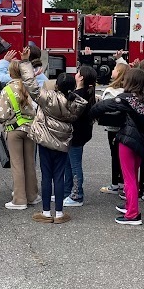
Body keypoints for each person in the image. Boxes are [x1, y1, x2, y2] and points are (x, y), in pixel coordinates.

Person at [21, 58, 87, 224]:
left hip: (45, 141)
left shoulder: (48, 98)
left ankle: (45, 212)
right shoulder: (76, 104)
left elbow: (31, 84)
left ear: (56, 85)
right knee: (59, 176)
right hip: (63, 143)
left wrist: (25, 63)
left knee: (46, 176)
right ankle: (59, 213)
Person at [90, 68, 144, 226]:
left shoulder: (126, 99)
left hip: (127, 141)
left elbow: (103, 107)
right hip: (140, 141)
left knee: (128, 178)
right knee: (133, 176)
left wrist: (91, 114)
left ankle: (133, 214)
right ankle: (130, 205)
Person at [0, 60, 39, 210]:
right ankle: (32, 195)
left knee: (17, 165)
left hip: (14, 129)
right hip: (30, 128)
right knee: (30, 163)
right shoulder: (30, 87)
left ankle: (19, 199)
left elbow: (2, 115)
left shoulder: (7, 90)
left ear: (10, 73)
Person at [63, 63, 97, 207]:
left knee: (75, 165)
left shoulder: (78, 95)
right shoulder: (86, 93)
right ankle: (67, 191)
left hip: (76, 134)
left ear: (81, 77)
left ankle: (77, 195)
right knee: (69, 163)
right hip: (79, 134)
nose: (75, 74)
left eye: (78, 72)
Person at [96, 61, 128, 195]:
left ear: (119, 73)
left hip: (113, 128)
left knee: (115, 156)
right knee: (122, 156)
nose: (112, 70)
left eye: (115, 68)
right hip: (124, 127)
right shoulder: (126, 90)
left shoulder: (112, 91)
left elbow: (106, 107)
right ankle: (122, 181)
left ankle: (115, 184)